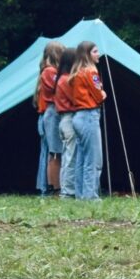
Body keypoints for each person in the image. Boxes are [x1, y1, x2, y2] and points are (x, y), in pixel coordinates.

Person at [68, 41, 107, 201]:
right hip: (89, 116)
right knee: (93, 159)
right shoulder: (91, 72)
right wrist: (103, 93)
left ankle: (80, 195)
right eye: (95, 51)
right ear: (88, 55)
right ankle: (90, 196)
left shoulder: (76, 73)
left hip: (78, 116)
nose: (98, 54)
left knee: (82, 159)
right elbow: (99, 95)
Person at [35, 41, 65, 196]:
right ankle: (53, 188)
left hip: (49, 115)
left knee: (52, 153)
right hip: (51, 114)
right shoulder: (50, 71)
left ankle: (51, 187)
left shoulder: (49, 71)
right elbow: (59, 89)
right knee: (54, 153)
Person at [53, 49, 77, 198]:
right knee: (71, 157)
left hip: (63, 119)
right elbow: (75, 99)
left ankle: (65, 190)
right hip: (69, 118)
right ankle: (68, 191)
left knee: (67, 156)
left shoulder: (60, 78)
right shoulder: (66, 80)